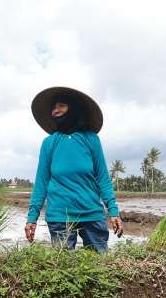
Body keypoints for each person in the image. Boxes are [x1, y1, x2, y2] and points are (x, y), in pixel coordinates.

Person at [25, 87, 123, 252]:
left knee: (99, 266)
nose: (56, 111)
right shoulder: (49, 143)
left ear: (73, 108)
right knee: (63, 269)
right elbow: (41, 183)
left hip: (92, 213)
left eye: (61, 106)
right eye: (53, 108)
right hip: (59, 216)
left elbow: (102, 178)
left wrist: (113, 211)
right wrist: (32, 218)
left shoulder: (91, 139)